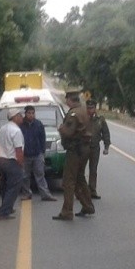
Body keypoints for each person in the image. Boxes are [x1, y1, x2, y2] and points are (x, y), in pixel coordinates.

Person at [53, 91, 95, 221]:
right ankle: (88, 206)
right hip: (85, 149)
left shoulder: (73, 114)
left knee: (68, 181)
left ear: (70, 100)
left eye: (67, 100)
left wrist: (61, 128)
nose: (66, 102)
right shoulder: (83, 111)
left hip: (75, 150)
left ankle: (67, 212)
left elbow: (69, 132)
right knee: (80, 179)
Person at [19, 105, 58, 201]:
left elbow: (42, 139)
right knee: (25, 176)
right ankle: (27, 193)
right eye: (29, 113)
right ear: (25, 114)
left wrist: (42, 153)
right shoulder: (20, 125)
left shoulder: (38, 124)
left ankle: (45, 194)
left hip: (37, 154)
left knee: (40, 175)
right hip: (25, 155)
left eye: (33, 113)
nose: (31, 115)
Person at [0, 108, 25, 219]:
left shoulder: (3, 128)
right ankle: (4, 211)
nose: (22, 117)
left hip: (1, 159)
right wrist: (21, 163)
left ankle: (7, 206)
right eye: (20, 115)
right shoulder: (16, 131)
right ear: (15, 117)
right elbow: (18, 150)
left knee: (5, 186)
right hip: (11, 161)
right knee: (14, 187)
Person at [86, 98, 111, 199]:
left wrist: (106, 147)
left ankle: (92, 190)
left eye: (91, 108)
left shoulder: (100, 120)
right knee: (80, 170)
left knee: (93, 169)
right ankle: (81, 191)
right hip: (83, 147)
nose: (89, 110)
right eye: (88, 108)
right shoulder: (83, 118)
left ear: (95, 108)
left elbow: (105, 133)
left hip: (94, 147)